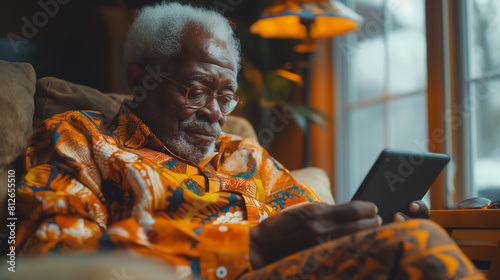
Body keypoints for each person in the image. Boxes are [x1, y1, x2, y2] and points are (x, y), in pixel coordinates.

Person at [16, 2, 484, 279]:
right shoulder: (77, 136)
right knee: (417, 246)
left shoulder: (244, 154)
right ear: (141, 80)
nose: (215, 115)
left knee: (407, 235)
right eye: (197, 91)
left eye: (226, 98)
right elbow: (54, 253)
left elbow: (311, 225)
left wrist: (371, 224)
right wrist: (250, 244)